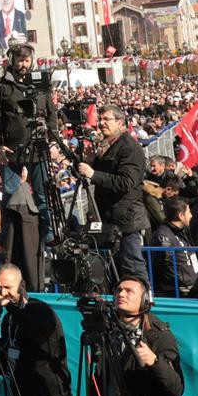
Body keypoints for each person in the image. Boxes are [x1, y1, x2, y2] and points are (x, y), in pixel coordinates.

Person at [0, 43, 59, 290]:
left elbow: (51, 113)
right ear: (11, 60)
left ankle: (49, 235)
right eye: (20, 60)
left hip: (39, 150)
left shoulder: (40, 84)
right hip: (12, 152)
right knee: (11, 196)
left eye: (27, 60)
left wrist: (53, 140)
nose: (24, 64)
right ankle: (8, 240)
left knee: (43, 194)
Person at [92, 277, 183, 396]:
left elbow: (177, 388)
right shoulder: (107, 333)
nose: (121, 294)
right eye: (119, 290)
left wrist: (155, 362)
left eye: (129, 291)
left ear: (145, 299)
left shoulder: (159, 336)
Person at [0, 264, 74, 396]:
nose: (3, 293)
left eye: (8, 287)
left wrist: (8, 306)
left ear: (22, 285)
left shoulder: (39, 309)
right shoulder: (9, 320)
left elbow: (37, 334)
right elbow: (8, 361)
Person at [77, 105, 151, 282]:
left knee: (131, 266)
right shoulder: (108, 145)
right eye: (100, 119)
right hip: (108, 219)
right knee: (112, 268)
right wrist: (90, 162)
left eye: (106, 119)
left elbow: (126, 182)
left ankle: (142, 296)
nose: (101, 123)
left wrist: (93, 174)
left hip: (126, 221)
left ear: (120, 122)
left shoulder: (129, 147)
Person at [150, 197, 198, 299]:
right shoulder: (163, 236)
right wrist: (184, 286)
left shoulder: (181, 231)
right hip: (178, 292)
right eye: (189, 212)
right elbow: (166, 268)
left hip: (189, 287)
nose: (191, 215)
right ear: (181, 216)